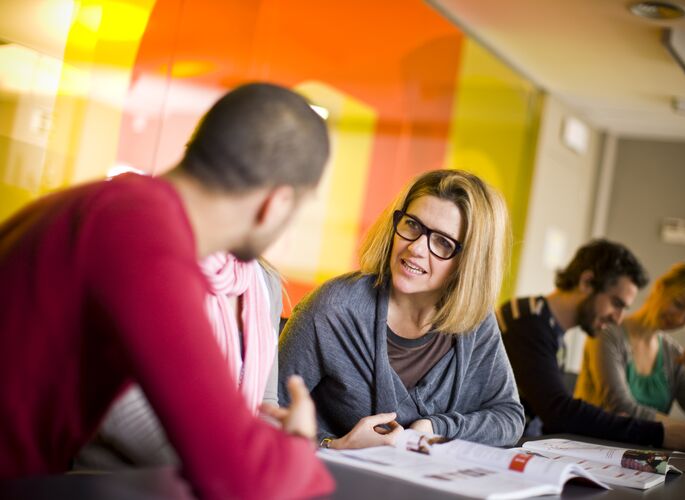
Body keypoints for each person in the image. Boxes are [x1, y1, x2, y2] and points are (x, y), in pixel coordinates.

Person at [0, 83, 333, 499]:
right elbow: (241, 480)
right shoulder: (143, 240)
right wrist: (298, 443)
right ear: (277, 203)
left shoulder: (118, 210)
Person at [279, 169, 524, 449]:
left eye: (442, 242)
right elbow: (260, 417)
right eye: (412, 225)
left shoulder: (475, 322)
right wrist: (336, 446)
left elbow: (509, 418)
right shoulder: (332, 309)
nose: (416, 248)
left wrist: (434, 427)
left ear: (469, 262)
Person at [499, 239, 685, 453]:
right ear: (587, 282)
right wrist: (658, 433)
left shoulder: (549, 328)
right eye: (616, 304)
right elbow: (559, 413)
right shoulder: (527, 321)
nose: (618, 319)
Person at [76, 254, 284, 467]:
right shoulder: (152, 260)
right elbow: (116, 400)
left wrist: (276, 459)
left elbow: (265, 404)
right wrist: (220, 473)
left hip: (222, 479)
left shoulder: (266, 282)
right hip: (124, 479)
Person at [575, 262, 685, 448]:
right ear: (659, 287)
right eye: (679, 304)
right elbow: (622, 408)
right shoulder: (606, 334)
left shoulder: (673, 353)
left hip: (643, 458)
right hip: (590, 449)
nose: (680, 319)